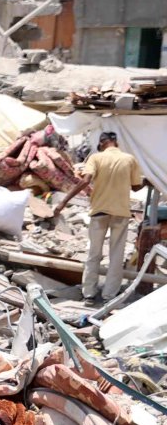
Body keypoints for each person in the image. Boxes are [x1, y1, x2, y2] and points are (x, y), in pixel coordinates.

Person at [79, 131, 145, 305]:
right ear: (116, 143)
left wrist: (63, 202)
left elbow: (86, 179)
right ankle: (109, 295)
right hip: (120, 213)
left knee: (94, 254)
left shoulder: (95, 158)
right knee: (116, 254)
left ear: (101, 144)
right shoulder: (129, 159)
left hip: (99, 211)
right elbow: (137, 186)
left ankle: (89, 294)